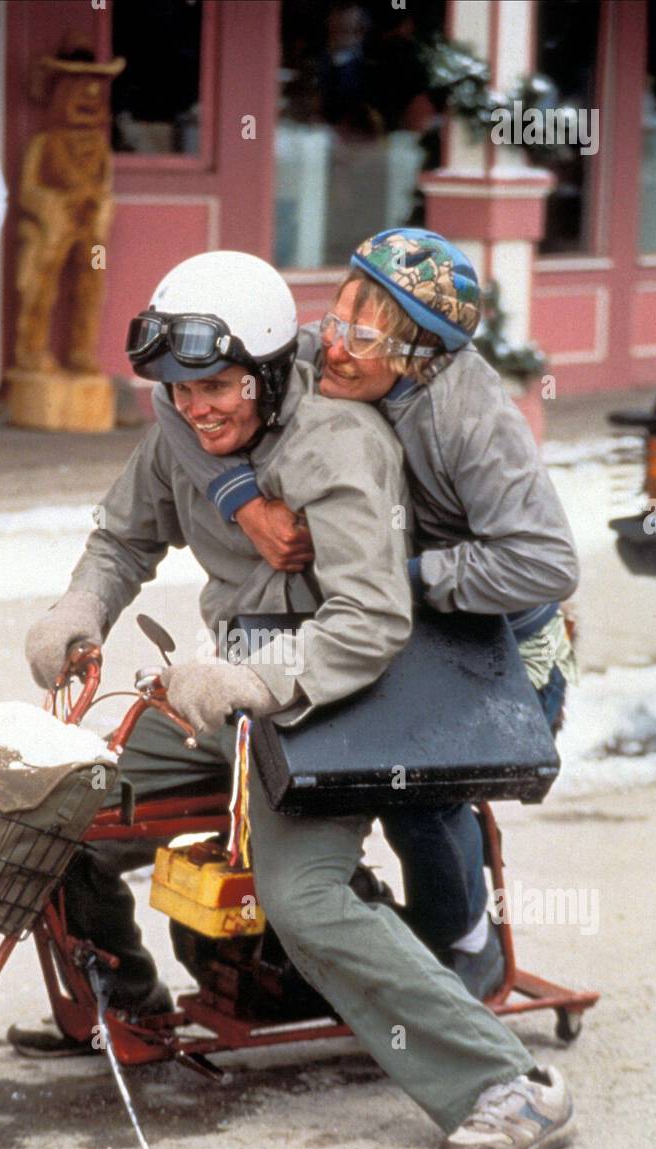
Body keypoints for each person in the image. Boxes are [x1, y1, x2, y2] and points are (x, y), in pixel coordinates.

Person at [21, 249, 574, 1149]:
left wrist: (263, 680)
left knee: (304, 895)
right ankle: (127, 1008)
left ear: (272, 372)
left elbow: (372, 619)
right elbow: (123, 535)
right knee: (60, 812)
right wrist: (80, 607)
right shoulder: (187, 414)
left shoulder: (343, 442)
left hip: (337, 685)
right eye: (177, 387)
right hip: (227, 679)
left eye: (216, 387)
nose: (197, 407)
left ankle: (504, 1083)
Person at [149, 227, 580, 1002]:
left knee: (417, 791)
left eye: (362, 337)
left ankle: (464, 950)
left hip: (499, 649)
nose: (333, 348)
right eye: (338, 314)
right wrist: (237, 499)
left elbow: (544, 561)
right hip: (394, 625)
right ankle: (344, 939)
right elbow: (169, 389)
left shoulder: (472, 421)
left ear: (419, 357)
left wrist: (403, 574)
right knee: (317, 768)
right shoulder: (324, 347)